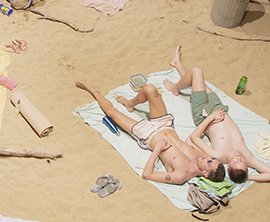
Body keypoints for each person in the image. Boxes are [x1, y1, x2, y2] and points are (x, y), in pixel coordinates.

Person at [76, 79, 225, 185]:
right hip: (166, 127)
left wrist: (157, 150)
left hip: (149, 134)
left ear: (205, 174)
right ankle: (130, 103)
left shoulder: (181, 175)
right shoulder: (202, 157)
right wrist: (212, 117)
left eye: (210, 162)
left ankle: (92, 90)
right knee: (150, 89)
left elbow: (147, 174)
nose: (208, 158)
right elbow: (196, 138)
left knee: (112, 113)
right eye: (212, 159)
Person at [164, 45, 270, 184]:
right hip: (219, 109)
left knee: (196, 72)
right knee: (197, 80)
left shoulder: (218, 155)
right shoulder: (248, 157)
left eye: (236, 161)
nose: (239, 157)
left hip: (204, 113)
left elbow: (195, 138)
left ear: (229, 166)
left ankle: (175, 87)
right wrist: (247, 177)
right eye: (242, 161)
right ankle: (177, 64)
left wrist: (211, 118)